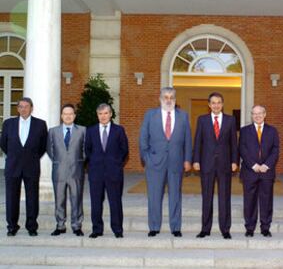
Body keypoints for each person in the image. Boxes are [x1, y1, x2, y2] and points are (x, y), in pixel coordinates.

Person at [139, 87, 192, 237]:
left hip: (176, 162)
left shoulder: (183, 116)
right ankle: (154, 226)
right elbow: (143, 138)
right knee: (154, 195)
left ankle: (176, 227)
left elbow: (188, 139)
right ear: (160, 98)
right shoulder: (150, 115)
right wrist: (146, 158)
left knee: (175, 195)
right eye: (166, 97)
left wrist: (187, 159)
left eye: (171, 97)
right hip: (155, 162)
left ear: (175, 100)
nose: (168, 100)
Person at [193, 92, 238, 239]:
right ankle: (205, 229)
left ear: (222, 104)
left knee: (225, 197)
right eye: (213, 102)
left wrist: (234, 161)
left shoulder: (230, 120)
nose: (216, 105)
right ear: (209, 105)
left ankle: (225, 229)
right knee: (207, 197)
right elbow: (198, 141)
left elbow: (233, 143)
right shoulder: (202, 120)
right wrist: (196, 160)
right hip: (206, 164)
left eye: (219, 102)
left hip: (225, 164)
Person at [0, 97, 48, 236]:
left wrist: (31, 157)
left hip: (31, 165)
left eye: (26, 106)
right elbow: (3, 143)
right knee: (11, 198)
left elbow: (43, 146)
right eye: (20, 106)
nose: (23, 109)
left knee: (32, 197)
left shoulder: (40, 124)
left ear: (31, 108)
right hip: (13, 166)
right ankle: (12, 226)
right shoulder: (9, 123)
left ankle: (32, 227)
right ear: (17, 108)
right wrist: (15, 155)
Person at [85, 103, 129, 238]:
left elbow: (124, 150)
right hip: (96, 172)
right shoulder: (91, 131)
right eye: (100, 114)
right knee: (96, 202)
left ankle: (117, 229)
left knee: (115, 201)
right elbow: (87, 150)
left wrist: (116, 164)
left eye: (105, 113)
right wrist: (92, 164)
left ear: (110, 114)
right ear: (97, 115)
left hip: (114, 172)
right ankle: (97, 229)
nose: (103, 116)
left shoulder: (119, 130)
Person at [239, 105, 279, 237]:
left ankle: (265, 227)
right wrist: (254, 165)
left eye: (260, 113)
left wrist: (266, 165)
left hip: (267, 172)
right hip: (250, 172)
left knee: (266, 201)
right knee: (249, 201)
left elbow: (275, 150)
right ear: (251, 115)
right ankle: (250, 228)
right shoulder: (244, 131)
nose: (257, 116)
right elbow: (242, 149)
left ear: (265, 114)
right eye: (254, 113)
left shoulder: (272, 131)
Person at [47, 104, 86, 236]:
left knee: (77, 199)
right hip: (59, 171)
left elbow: (85, 150)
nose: (68, 116)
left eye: (70, 114)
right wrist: (60, 161)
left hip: (76, 170)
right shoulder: (53, 131)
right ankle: (60, 225)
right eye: (65, 114)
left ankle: (76, 225)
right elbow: (50, 149)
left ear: (74, 116)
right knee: (59, 199)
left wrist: (78, 161)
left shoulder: (82, 130)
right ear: (61, 116)